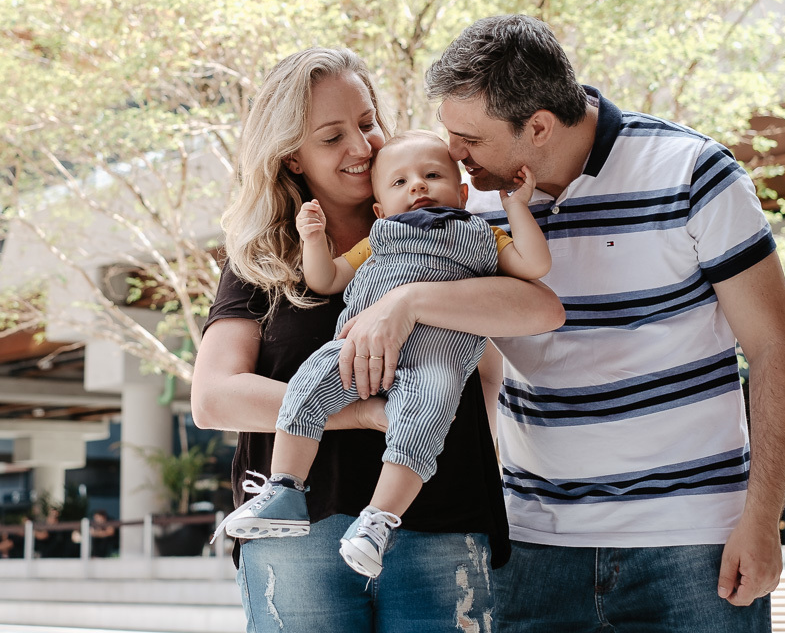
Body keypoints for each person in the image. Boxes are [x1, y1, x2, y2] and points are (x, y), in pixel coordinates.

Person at [427, 15, 785, 632]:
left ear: (539, 127)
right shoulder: (468, 201)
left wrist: (762, 517)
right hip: (534, 546)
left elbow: (774, 349)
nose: (453, 153)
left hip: (693, 545)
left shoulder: (693, 172)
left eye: (468, 137)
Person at [191, 47, 564, 632]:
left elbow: (538, 308)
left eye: (367, 123)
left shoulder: (447, 221)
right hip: (299, 534)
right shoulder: (264, 258)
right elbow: (214, 398)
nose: (361, 148)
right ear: (292, 157)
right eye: (332, 137)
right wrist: (364, 415)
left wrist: (407, 303)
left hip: (443, 519)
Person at [215, 130, 551, 578]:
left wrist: (515, 208)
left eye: (432, 175)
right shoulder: (381, 236)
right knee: (308, 384)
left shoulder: (483, 236)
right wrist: (312, 239)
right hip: (356, 354)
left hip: (434, 363)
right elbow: (327, 279)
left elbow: (534, 267)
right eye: (400, 183)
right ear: (379, 209)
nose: (418, 186)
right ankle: (285, 489)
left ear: (463, 192)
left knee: (424, 418)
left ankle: (379, 519)